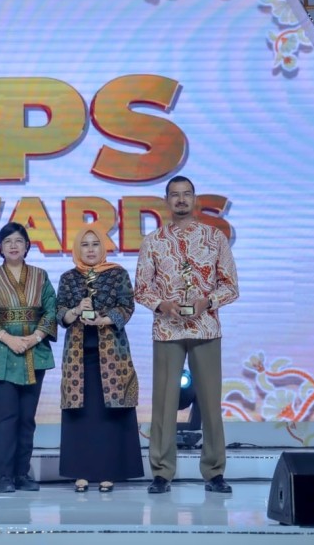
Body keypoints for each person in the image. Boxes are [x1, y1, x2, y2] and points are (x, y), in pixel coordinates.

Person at [135, 175, 239, 494]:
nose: (181, 199)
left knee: (210, 404)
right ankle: (161, 472)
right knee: (164, 404)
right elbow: (141, 288)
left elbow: (231, 286)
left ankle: (214, 472)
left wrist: (207, 301)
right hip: (167, 329)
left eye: (187, 194)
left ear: (195, 200)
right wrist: (162, 305)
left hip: (206, 328)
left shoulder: (214, 238)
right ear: (167, 201)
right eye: (175, 195)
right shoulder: (153, 241)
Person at [57, 225, 143, 493]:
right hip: (78, 356)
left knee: (110, 414)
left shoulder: (117, 273)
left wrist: (104, 319)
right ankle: (81, 473)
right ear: (77, 249)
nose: (91, 249)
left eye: (95, 244)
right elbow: (59, 312)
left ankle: (109, 472)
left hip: (112, 353)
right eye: (85, 245)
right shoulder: (68, 277)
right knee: (81, 414)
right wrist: (75, 310)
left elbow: (127, 305)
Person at [0, 222, 57, 493]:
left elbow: (51, 311)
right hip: (0, 355)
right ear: (0, 248)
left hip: (34, 354)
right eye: (8, 241)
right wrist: (8, 339)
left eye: (19, 241)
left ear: (27, 246)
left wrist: (35, 338)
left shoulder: (41, 276)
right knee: (5, 418)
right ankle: (4, 477)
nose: (13, 245)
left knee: (26, 419)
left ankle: (22, 474)